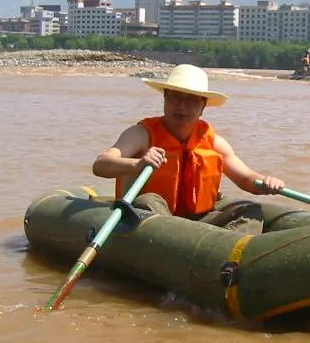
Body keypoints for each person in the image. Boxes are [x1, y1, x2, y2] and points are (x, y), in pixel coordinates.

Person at [92, 64, 285, 233]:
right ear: (165, 100)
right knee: (147, 200)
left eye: (191, 100)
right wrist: (138, 164)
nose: (181, 106)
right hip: (150, 217)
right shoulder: (141, 134)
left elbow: (246, 179)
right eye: (175, 97)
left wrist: (267, 182)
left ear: (203, 107)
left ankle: (223, 253)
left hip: (197, 219)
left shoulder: (214, 142)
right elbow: (101, 165)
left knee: (250, 210)